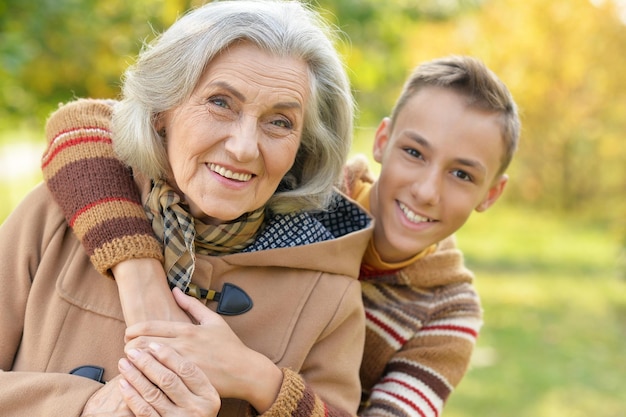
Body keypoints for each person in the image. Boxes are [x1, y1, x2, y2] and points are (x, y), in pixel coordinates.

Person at [40, 55, 520, 416]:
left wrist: (255, 377)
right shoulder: (299, 184)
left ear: (492, 194)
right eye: (415, 153)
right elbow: (83, 124)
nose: (427, 190)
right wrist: (139, 277)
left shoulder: (448, 312)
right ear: (382, 141)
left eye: (462, 175)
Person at [0, 1, 374, 416]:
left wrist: (258, 379)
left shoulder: (328, 291)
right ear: (163, 112)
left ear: (303, 146)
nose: (244, 147)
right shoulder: (57, 214)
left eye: (280, 122)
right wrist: (85, 407)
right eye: (220, 103)